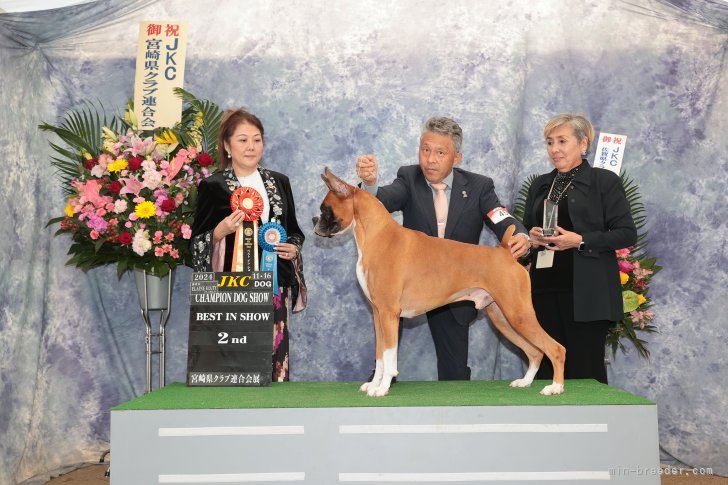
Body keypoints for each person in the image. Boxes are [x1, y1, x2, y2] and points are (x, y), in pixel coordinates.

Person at [356, 116, 531, 381]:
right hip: (409, 282)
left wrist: (520, 234)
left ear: (457, 157)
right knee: (385, 332)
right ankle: (382, 382)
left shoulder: (479, 186)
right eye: (425, 150)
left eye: (440, 152)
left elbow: (500, 217)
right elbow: (381, 201)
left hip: (456, 287)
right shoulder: (408, 176)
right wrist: (369, 185)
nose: (430, 159)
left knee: (454, 375)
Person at [191, 108, 306, 382]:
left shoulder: (280, 182)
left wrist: (293, 248)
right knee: (234, 367)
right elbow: (195, 245)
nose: (251, 146)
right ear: (227, 146)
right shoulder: (212, 186)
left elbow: (294, 232)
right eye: (243, 140)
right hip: (231, 291)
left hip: (274, 285)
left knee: (274, 365)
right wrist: (220, 231)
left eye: (257, 139)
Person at [522, 113, 636, 384]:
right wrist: (531, 238)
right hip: (543, 288)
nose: (554, 149)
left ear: (583, 143)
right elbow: (526, 230)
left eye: (562, 141)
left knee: (585, 372)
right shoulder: (539, 185)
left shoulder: (603, 181)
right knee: (548, 372)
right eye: (549, 142)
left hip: (586, 293)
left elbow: (626, 233)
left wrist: (580, 240)